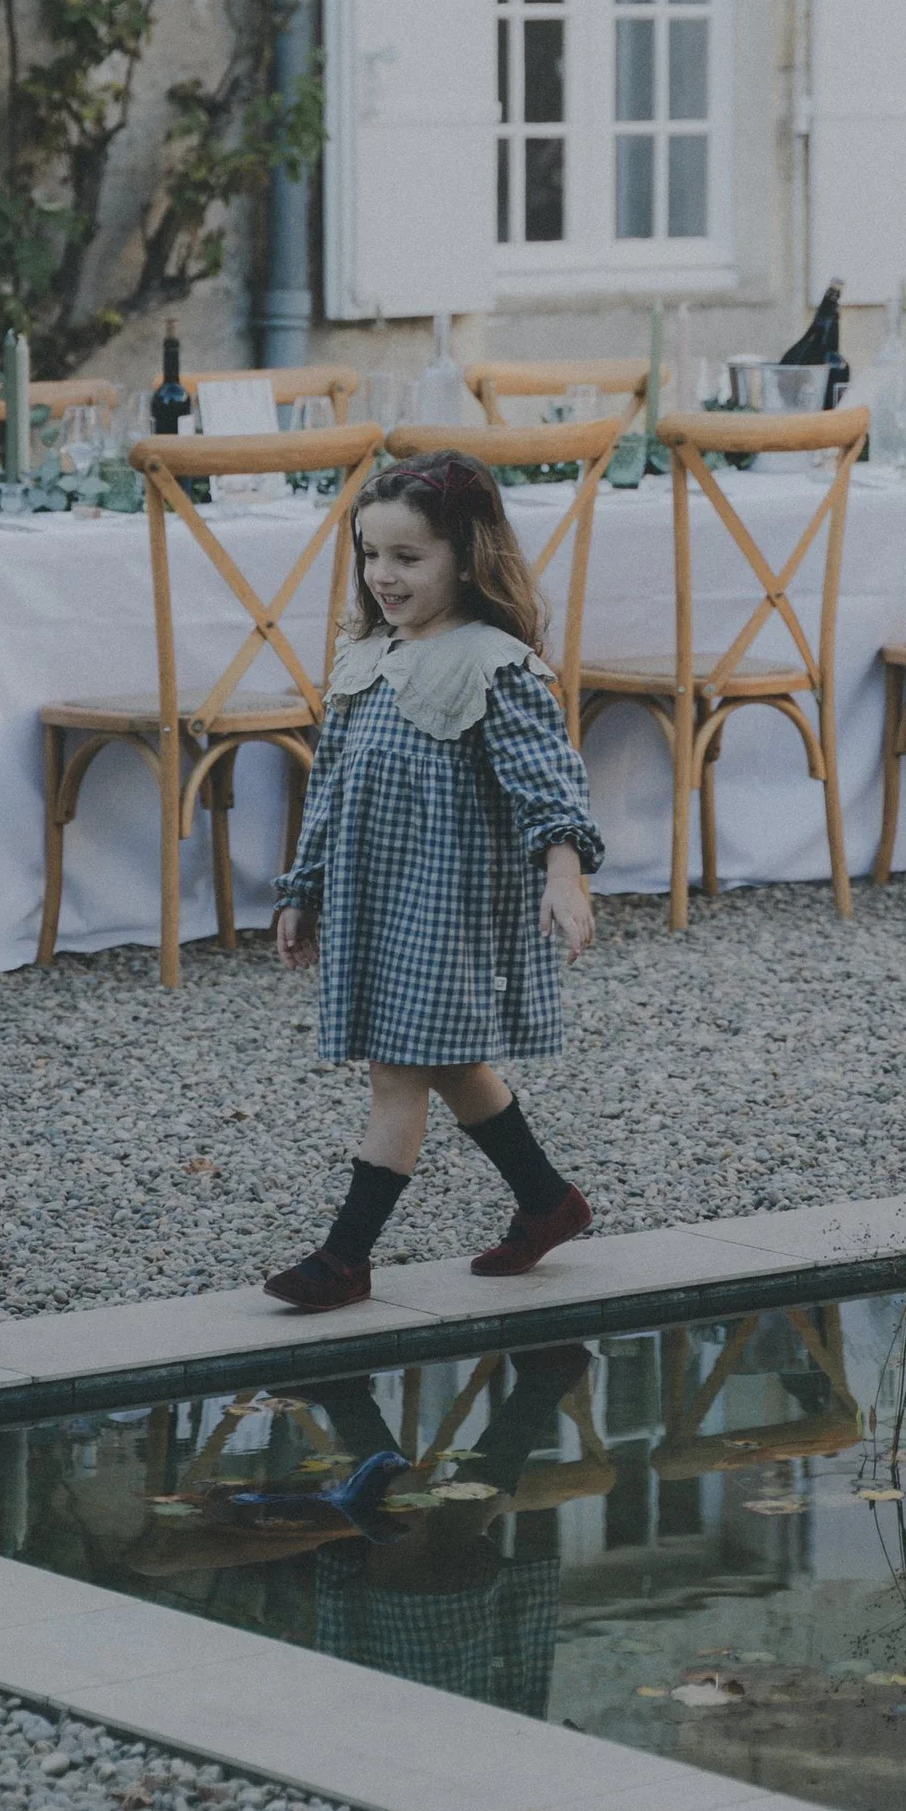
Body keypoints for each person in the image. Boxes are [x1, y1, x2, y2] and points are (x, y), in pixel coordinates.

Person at [266, 450, 602, 1311]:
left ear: (468, 555)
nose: (383, 575)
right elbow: (331, 788)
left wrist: (565, 872)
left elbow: (549, 783)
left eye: (408, 558)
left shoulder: (494, 665)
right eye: (371, 555)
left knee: (397, 1075)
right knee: (451, 1062)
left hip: (443, 913)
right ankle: (547, 1201)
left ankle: (346, 1257)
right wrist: (301, 887)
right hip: (376, 906)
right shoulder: (364, 660)